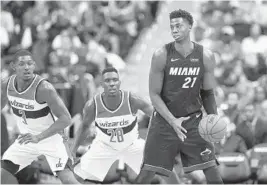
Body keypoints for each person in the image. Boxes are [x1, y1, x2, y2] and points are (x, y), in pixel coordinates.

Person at [135, 9, 223, 184]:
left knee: (212, 170)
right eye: (172, 26)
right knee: (147, 173)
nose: (174, 29)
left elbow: (208, 93)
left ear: (190, 26)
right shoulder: (161, 55)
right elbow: (154, 94)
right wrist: (172, 120)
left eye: (179, 25)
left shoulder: (206, 56)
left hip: (193, 122)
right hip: (164, 123)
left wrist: (213, 118)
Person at [71, 67, 178, 184]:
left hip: (131, 145)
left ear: (119, 82)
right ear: (102, 84)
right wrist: (73, 150)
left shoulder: (132, 99)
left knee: (163, 165)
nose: (112, 84)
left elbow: (156, 115)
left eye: (114, 80)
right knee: (74, 175)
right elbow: (84, 127)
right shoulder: (93, 105)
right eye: (107, 81)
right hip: (104, 147)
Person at [1, 50, 80, 184]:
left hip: (52, 139)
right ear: (13, 66)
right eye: (21, 64)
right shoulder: (6, 85)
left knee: (68, 180)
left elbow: (66, 118)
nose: (27, 67)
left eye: (30, 64)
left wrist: (39, 137)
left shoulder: (44, 88)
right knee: (3, 175)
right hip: (27, 139)